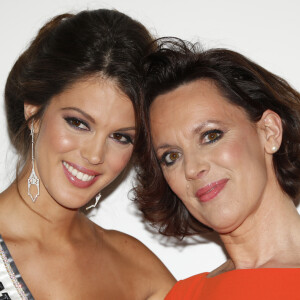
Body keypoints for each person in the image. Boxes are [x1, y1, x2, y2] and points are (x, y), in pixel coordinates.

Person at [1, 10, 175, 299]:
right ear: (34, 111)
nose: (95, 155)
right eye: (78, 123)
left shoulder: (136, 270)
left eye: (120, 137)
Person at [134, 38, 300, 299]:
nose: (193, 168)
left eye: (211, 136)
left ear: (269, 132)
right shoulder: (183, 295)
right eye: (171, 156)